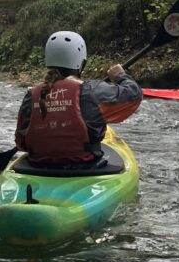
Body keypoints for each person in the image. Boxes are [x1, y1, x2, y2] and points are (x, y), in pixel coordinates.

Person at [14, 30, 142, 168]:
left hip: (39, 165)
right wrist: (120, 76)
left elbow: (21, 142)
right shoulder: (92, 91)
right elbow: (134, 95)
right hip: (84, 165)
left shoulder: (31, 95)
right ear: (81, 64)